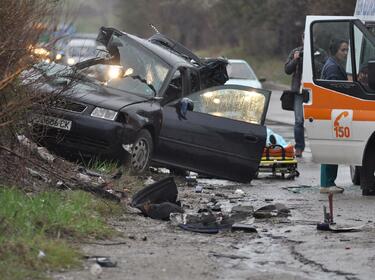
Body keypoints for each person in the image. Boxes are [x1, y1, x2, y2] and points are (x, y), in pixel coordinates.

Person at [319, 38, 349, 194]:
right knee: (332, 149)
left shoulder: (333, 64)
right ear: (336, 50)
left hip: (331, 112)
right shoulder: (332, 68)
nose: (345, 52)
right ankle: (327, 183)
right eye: (343, 50)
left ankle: (327, 182)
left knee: (330, 149)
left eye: (346, 49)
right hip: (333, 112)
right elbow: (335, 91)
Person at [284, 33, 305, 158]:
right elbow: (287, 70)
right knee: (298, 121)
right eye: (304, 37)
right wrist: (295, 59)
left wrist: (312, 59)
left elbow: (323, 68)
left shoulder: (319, 53)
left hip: (314, 91)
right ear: (302, 38)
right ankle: (299, 148)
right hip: (299, 92)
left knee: (317, 120)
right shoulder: (295, 51)